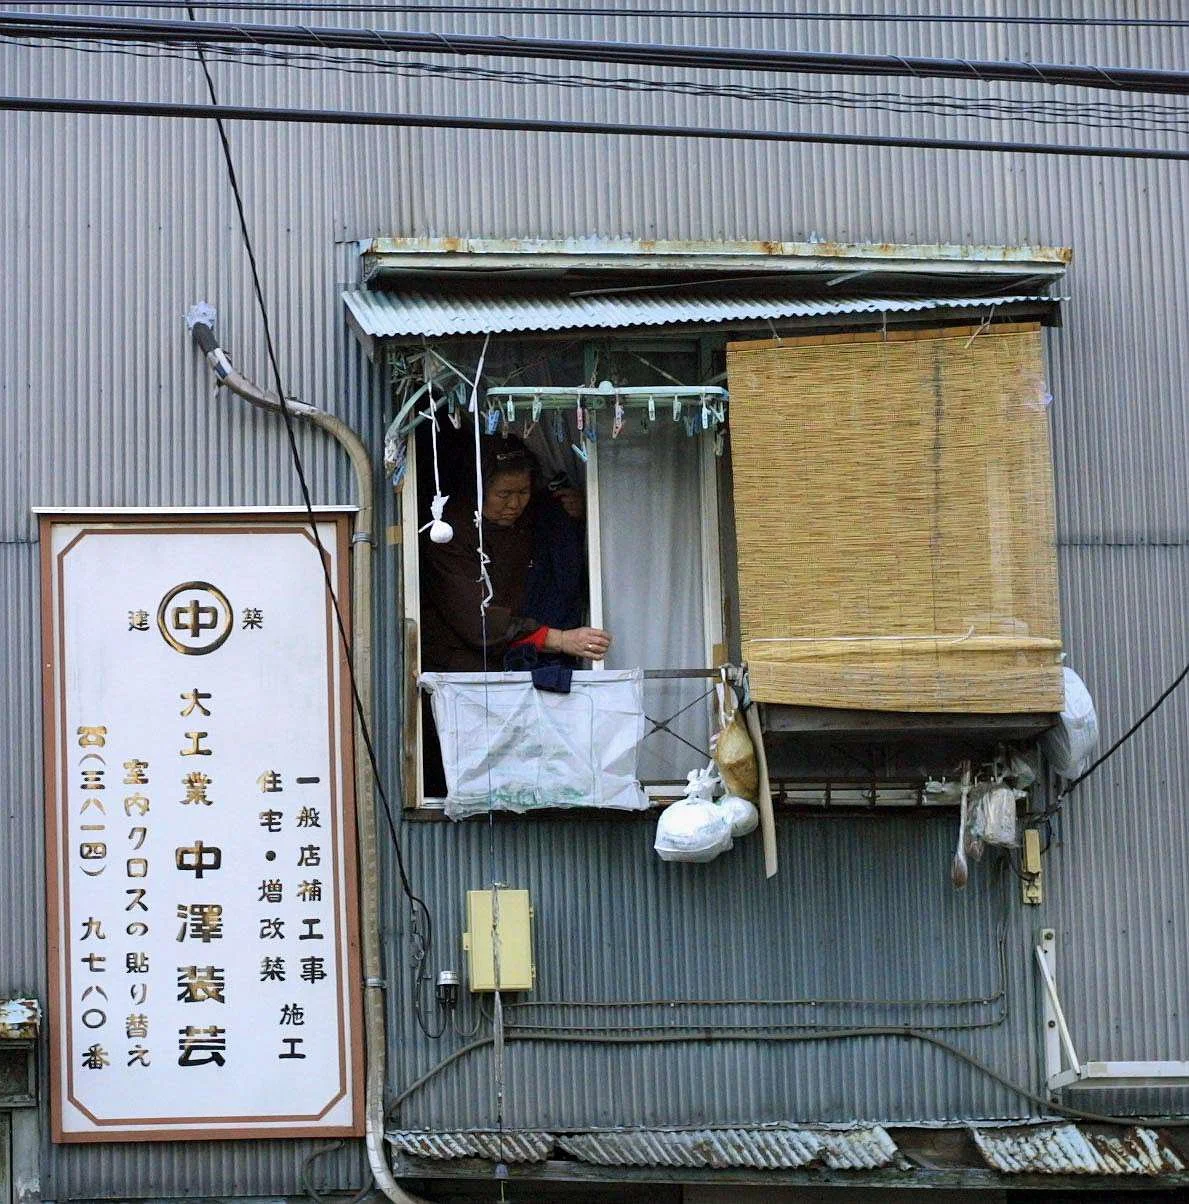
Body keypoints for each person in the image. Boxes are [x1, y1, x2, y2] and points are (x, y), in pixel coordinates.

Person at [419, 434, 612, 672]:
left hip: (522, 660)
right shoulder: (449, 535)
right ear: (477, 491)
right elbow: (478, 622)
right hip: (466, 669)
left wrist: (579, 513)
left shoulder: (536, 517)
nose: (514, 504)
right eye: (504, 494)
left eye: (523, 492)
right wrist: (560, 640)